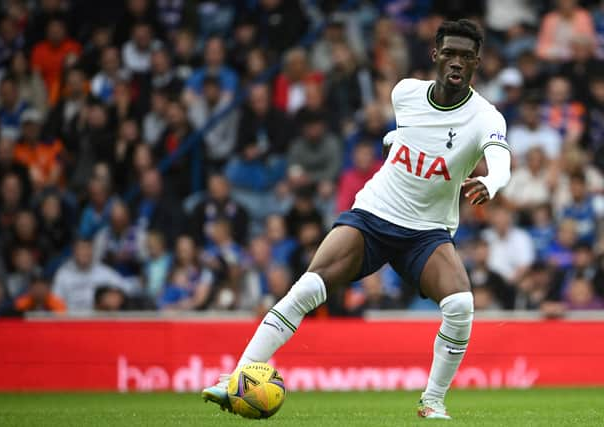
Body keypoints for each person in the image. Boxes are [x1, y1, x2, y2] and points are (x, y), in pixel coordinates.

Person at [202, 20, 512, 420]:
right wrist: (395, 142)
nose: (456, 61)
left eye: (466, 56)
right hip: (374, 216)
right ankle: (236, 379)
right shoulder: (406, 93)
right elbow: (410, 136)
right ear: (435, 55)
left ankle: (432, 402)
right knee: (307, 287)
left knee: (460, 304)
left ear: (476, 63)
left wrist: (491, 180)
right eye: (449, 52)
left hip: (427, 233)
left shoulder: (486, 116)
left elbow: (501, 159)